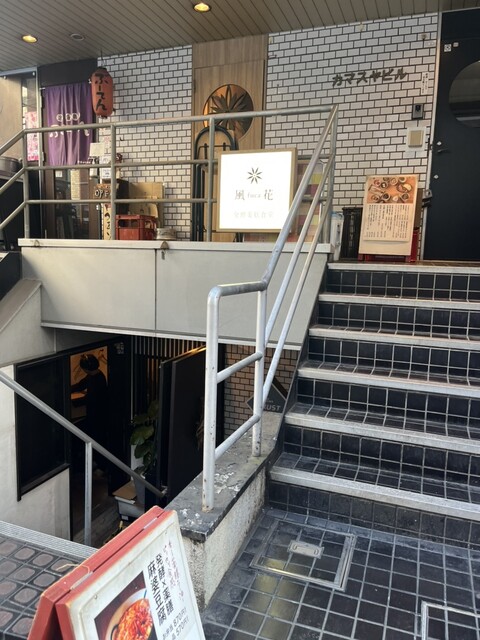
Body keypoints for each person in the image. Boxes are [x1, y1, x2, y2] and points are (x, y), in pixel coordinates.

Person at [71, 354, 108, 450]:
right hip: (94, 412)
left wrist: (73, 402)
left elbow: (90, 398)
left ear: (86, 369)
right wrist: (66, 389)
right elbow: (80, 385)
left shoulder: (98, 379)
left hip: (98, 414)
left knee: (95, 436)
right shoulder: (94, 375)